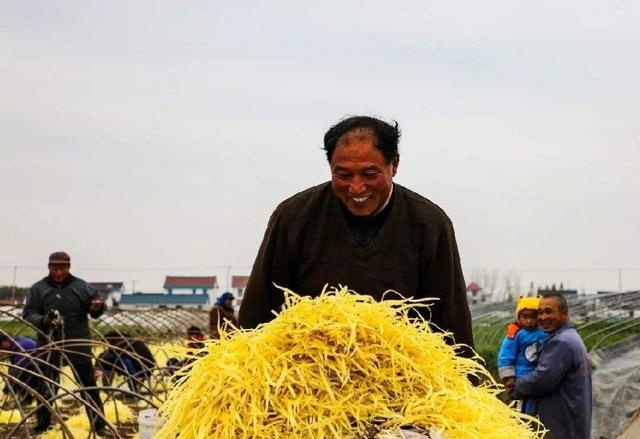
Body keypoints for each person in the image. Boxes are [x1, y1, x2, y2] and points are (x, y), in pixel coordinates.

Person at [238, 115, 473, 353]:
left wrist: (468, 386)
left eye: (370, 174)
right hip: (306, 372)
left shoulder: (430, 223)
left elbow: (452, 320)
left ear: (394, 165)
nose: (357, 187)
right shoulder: (293, 218)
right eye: (343, 175)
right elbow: (258, 310)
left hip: (400, 378)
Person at [22, 251, 107, 436]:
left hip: (78, 343)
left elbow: (96, 308)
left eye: (62, 268)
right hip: (49, 344)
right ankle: (43, 426)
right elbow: (28, 313)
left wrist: (97, 306)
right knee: (46, 386)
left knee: (88, 386)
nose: (58, 272)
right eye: (55, 268)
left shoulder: (82, 287)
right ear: (49, 267)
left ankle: (99, 425)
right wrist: (44, 320)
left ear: (68, 267)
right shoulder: (39, 289)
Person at [513, 292, 592, 439]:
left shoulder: (561, 342)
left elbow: (542, 380)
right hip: (569, 422)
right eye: (540, 313)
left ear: (564, 314)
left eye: (548, 312)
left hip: (562, 427)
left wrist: (517, 384)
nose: (542, 317)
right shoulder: (567, 337)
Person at [497, 296, 548, 413]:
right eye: (525, 317)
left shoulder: (545, 333)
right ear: (518, 317)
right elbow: (505, 356)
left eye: (533, 317)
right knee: (520, 409)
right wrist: (509, 377)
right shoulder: (515, 334)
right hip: (520, 378)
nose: (529, 321)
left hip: (539, 377)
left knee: (536, 408)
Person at [0, 334, 41, 405]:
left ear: (5, 341)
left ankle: (27, 400)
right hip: (32, 370)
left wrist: (6, 390)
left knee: (16, 376)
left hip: (41, 375)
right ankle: (26, 399)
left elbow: (17, 370)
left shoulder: (21, 345)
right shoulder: (14, 343)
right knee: (11, 374)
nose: (1, 349)